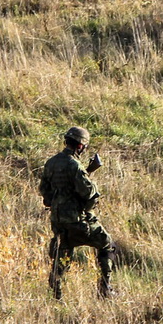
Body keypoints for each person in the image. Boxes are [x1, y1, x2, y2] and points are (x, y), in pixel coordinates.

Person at [39, 126, 116, 300]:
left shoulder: (51, 162)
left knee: (63, 253)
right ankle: (106, 289)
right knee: (107, 244)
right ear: (81, 146)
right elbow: (89, 193)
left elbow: (45, 191)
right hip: (77, 220)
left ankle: (55, 294)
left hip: (58, 219)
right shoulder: (75, 165)